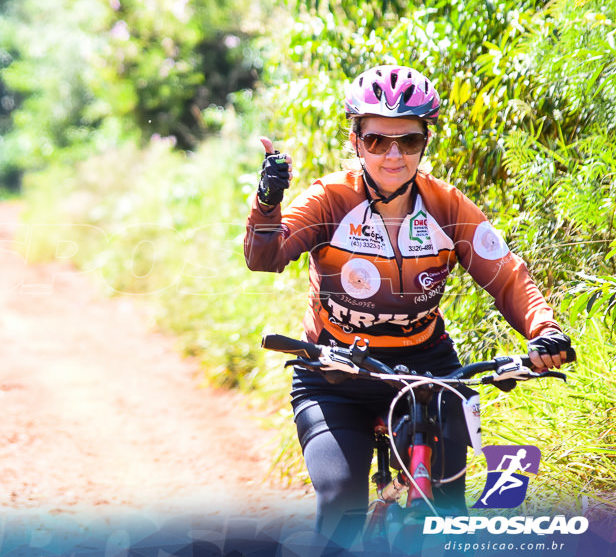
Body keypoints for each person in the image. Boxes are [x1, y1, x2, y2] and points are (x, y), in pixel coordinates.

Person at [243, 64, 572, 552]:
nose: (394, 155)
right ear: (356, 141)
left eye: (409, 141)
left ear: (425, 141)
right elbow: (264, 257)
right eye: (378, 141)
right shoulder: (329, 201)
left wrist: (543, 330)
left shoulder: (447, 207)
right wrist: (268, 203)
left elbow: (506, 275)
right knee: (339, 498)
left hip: (427, 368)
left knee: (449, 509)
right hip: (336, 370)